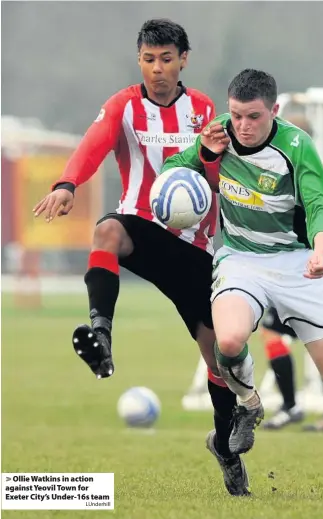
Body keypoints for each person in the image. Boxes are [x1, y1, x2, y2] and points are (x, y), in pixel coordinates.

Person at [33, 19, 250, 497]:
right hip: (141, 225)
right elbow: (93, 145)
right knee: (107, 230)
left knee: (220, 361)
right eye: (149, 60)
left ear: (183, 60)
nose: (157, 69)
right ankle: (102, 337)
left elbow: (213, 170)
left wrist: (210, 165)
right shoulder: (124, 105)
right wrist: (68, 184)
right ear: (140, 61)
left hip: (193, 247)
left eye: (166, 59)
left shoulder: (203, 110)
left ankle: (226, 448)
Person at [162, 69, 323, 499]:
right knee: (227, 340)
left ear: (275, 112)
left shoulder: (297, 147)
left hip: (297, 263)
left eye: (253, 117)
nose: (243, 126)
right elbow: (174, 171)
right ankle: (250, 404)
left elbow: (321, 204)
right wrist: (205, 157)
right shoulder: (218, 136)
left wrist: (321, 250)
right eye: (235, 115)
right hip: (240, 259)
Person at [261, 113, 323, 433]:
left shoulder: (318, 173)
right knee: (275, 333)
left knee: (320, 342)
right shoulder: (296, 170)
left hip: (319, 270)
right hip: (294, 270)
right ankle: (292, 406)